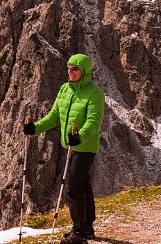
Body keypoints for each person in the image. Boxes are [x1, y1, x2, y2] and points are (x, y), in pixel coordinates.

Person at [22, 53, 106, 244]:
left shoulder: (95, 93)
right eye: (68, 68)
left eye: (75, 69)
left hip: (85, 147)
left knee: (74, 186)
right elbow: (54, 116)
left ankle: (78, 232)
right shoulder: (64, 90)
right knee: (83, 185)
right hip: (71, 145)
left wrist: (79, 137)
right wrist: (35, 128)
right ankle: (87, 228)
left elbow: (93, 122)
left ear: (84, 70)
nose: (71, 72)